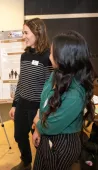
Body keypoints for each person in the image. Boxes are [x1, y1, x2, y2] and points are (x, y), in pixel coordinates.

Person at [32, 31, 95, 170]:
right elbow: (44, 102)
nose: (49, 57)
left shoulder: (75, 95)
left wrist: (37, 123)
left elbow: (49, 126)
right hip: (47, 136)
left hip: (62, 144)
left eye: (52, 53)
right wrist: (38, 127)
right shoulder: (57, 73)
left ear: (65, 58)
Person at [8, 18, 51, 170]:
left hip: (37, 109)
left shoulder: (48, 57)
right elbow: (21, 81)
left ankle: (41, 166)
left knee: (40, 142)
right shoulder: (24, 56)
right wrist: (14, 104)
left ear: (37, 33)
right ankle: (26, 162)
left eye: (26, 32)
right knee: (19, 136)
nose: (23, 36)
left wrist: (41, 112)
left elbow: (50, 88)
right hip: (22, 105)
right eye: (23, 32)